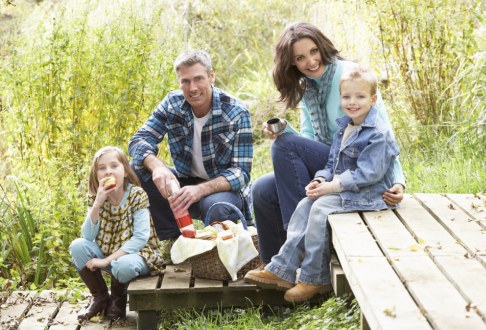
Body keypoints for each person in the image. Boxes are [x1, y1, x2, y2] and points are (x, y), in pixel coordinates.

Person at [251, 21, 405, 266]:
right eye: (300, 58)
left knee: (283, 146)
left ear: (322, 46)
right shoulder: (306, 87)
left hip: (357, 165)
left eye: (314, 51)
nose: (311, 62)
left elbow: (384, 132)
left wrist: (398, 181)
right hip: (330, 163)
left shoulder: (350, 75)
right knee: (261, 189)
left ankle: (296, 247)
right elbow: (308, 140)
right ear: (292, 63)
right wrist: (284, 130)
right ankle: (273, 268)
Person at [245, 67, 400, 302]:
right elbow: (332, 163)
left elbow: (368, 174)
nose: (352, 102)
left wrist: (332, 187)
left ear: (373, 99)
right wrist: (320, 180)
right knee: (306, 203)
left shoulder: (378, 133)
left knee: (320, 207)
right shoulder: (344, 127)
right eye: (347, 97)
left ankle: (315, 278)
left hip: (372, 193)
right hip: (346, 187)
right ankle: (282, 268)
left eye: (360, 97)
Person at [128, 49, 253, 241]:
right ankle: (174, 242)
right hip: (184, 182)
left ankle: (215, 251)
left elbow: (241, 173)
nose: (192, 88)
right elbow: (139, 140)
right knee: (134, 170)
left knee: (216, 206)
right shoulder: (172, 103)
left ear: (211, 76)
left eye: (199, 79)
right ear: (179, 82)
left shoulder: (236, 111)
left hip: (222, 191)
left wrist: (201, 190)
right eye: (185, 81)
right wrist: (158, 168)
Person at [69, 146, 165, 321]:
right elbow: (88, 237)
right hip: (111, 253)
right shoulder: (96, 197)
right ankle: (100, 298)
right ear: (96, 174)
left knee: (122, 265)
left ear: (125, 171)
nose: (108, 172)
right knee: (77, 246)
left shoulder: (136, 195)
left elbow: (140, 238)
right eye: (102, 168)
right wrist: (97, 204)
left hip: (138, 255)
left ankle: (118, 300)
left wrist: (105, 261)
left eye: (114, 166)